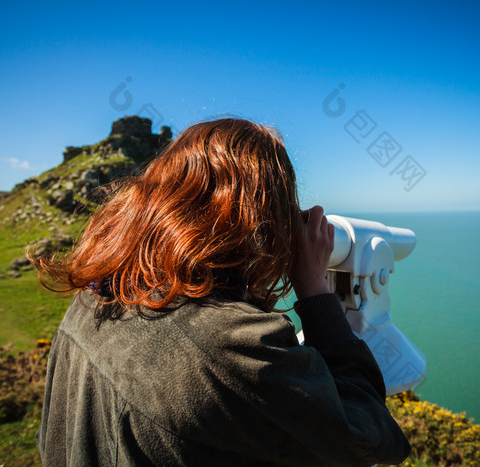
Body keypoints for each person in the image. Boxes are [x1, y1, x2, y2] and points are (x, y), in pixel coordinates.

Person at [32, 118, 410, 466]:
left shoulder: (94, 296)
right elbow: (371, 436)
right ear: (263, 214)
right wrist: (313, 289)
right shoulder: (230, 344)